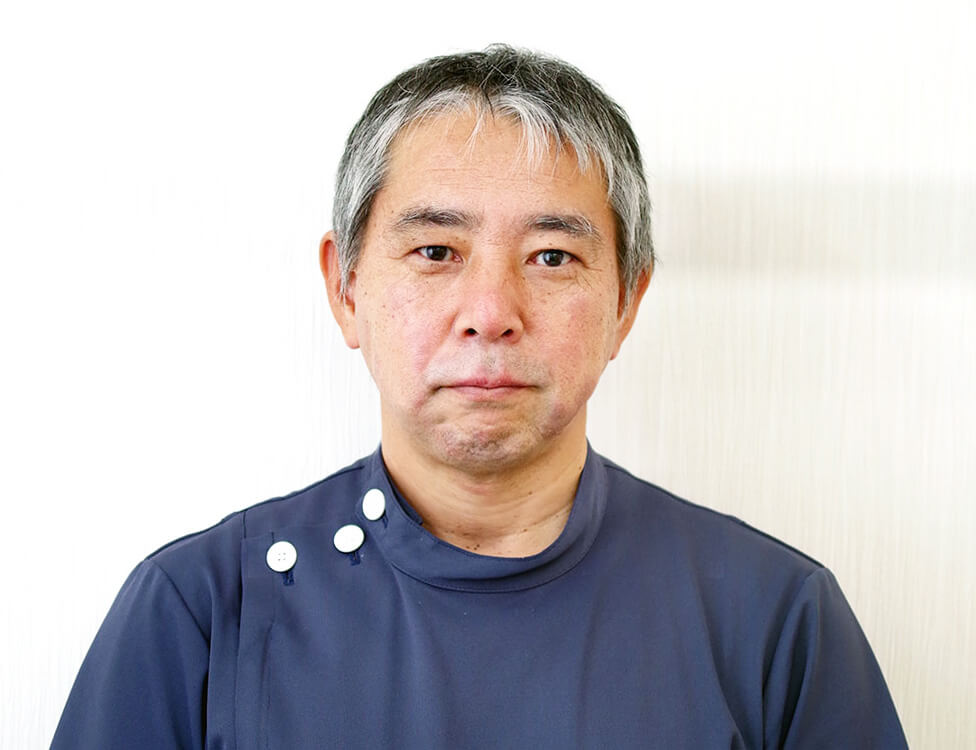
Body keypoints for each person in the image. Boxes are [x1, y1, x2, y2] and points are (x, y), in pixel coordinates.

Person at [51, 45, 907, 749]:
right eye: (435, 251)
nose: (491, 313)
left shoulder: (776, 621)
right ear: (345, 288)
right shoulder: (200, 612)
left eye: (552, 257)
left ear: (626, 301)